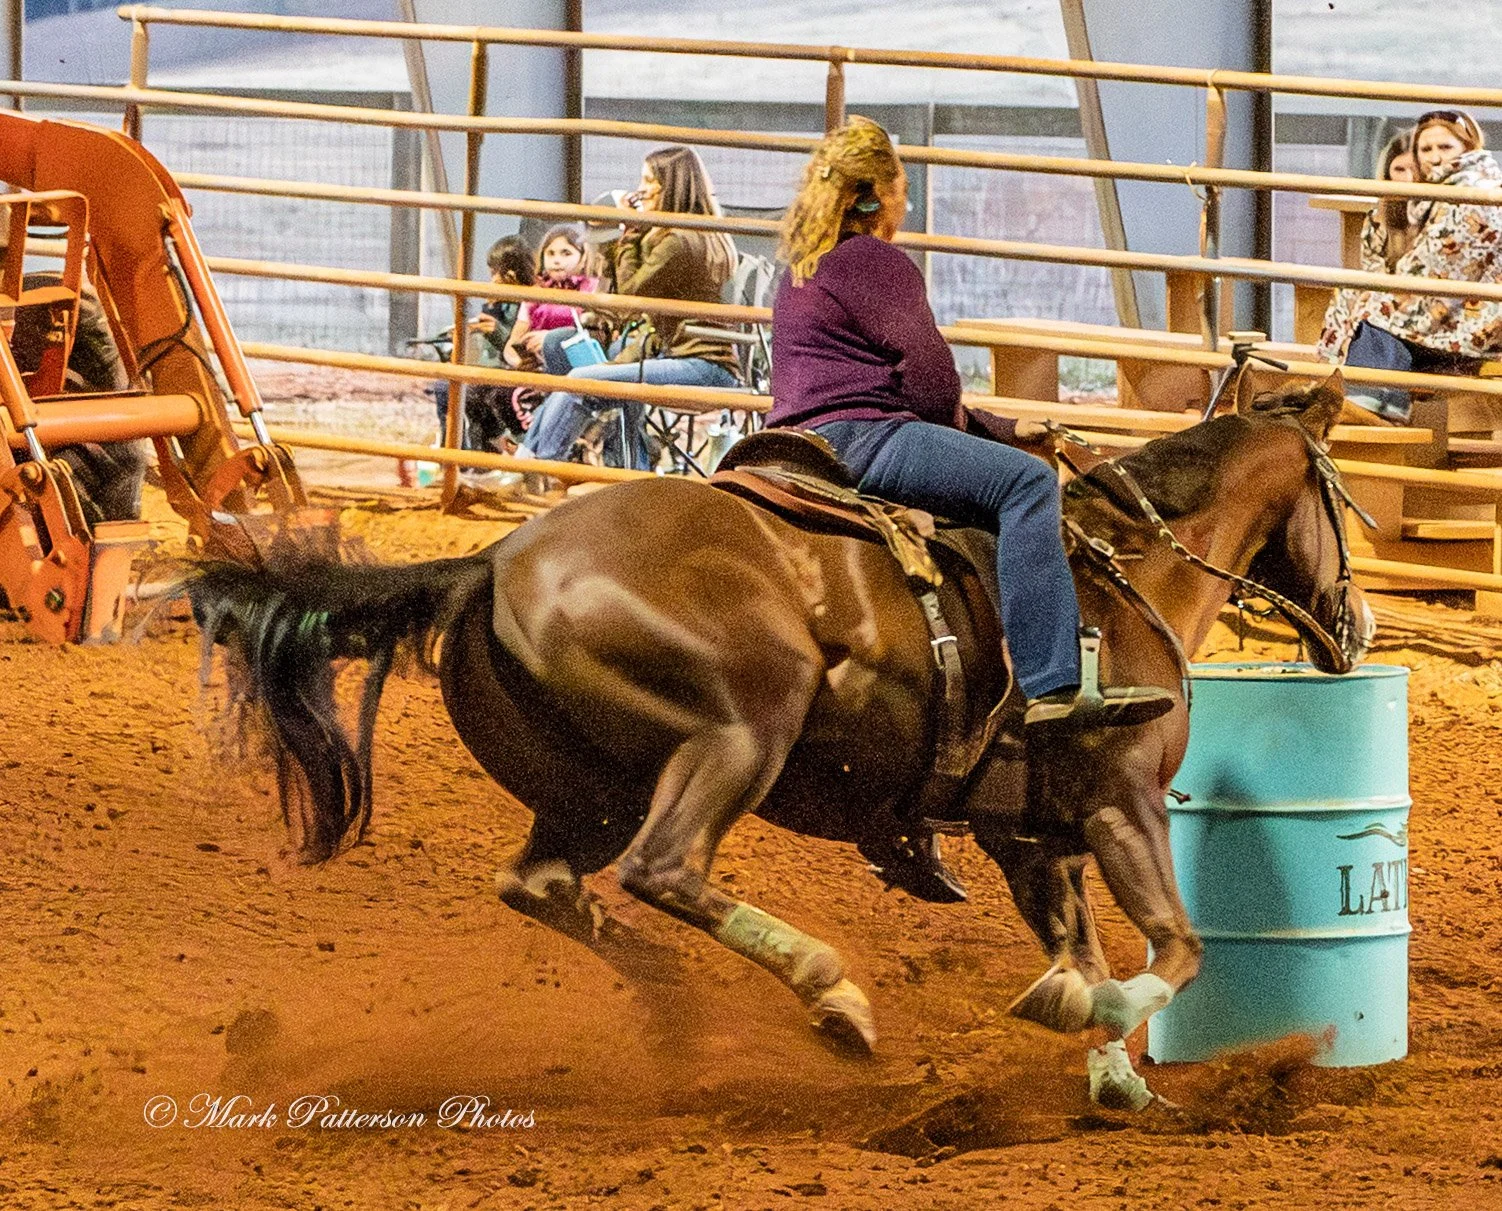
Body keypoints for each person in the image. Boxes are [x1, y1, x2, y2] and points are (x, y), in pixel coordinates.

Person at [766, 116, 1174, 901]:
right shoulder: (879, 261)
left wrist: (994, 428)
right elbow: (928, 385)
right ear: (880, 192)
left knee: (995, 472)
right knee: (1026, 487)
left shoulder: (802, 264)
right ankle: (1054, 686)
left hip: (799, 439)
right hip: (867, 438)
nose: (906, 201)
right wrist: (993, 435)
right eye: (903, 187)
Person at [516, 146, 742, 471]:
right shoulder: (700, 232)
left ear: (671, 187)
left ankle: (536, 469)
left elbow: (631, 297)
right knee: (588, 376)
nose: (641, 189)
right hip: (689, 358)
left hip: (701, 367)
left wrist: (630, 231)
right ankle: (530, 464)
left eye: (648, 180)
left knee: (581, 380)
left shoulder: (679, 241)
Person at [1318, 109, 1502, 422]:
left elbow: (1437, 265)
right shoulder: (1439, 193)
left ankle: (1371, 402)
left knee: (1372, 307)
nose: (1434, 157)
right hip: (1457, 312)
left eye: (1446, 148)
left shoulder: (1471, 193)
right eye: (1426, 149)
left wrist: (1378, 293)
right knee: (1362, 299)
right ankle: (1372, 400)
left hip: (1478, 321)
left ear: (1467, 149)